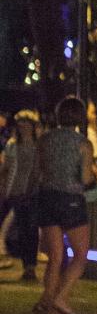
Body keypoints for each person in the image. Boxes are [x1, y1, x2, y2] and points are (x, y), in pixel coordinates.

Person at [33, 97, 95, 314]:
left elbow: (39, 169)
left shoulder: (45, 140)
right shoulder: (82, 143)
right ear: (80, 117)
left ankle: (49, 309)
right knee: (80, 254)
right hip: (71, 199)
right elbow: (86, 178)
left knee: (55, 258)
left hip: (47, 197)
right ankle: (59, 298)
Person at [0, 110, 40, 281]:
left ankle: (30, 266)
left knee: (31, 228)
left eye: (27, 123)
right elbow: (6, 169)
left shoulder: (39, 146)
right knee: (24, 229)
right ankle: (27, 266)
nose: (23, 126)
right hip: (16, 191)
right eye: (21, 123)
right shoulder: (12, 145)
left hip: (33, 192)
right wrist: (3, 188)